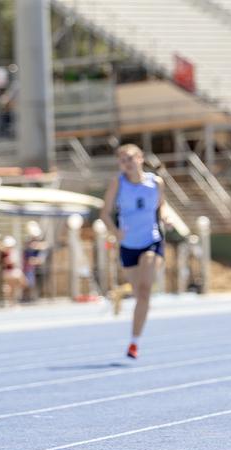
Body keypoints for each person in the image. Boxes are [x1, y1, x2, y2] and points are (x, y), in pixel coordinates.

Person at [101, 144, 168, 359]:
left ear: (140, 158)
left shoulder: (155, 182)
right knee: (139, 294)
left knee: (146, 290)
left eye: (130, 158)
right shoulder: (117, 183)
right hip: (128, 244)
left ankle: (134, 343)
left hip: (151, 240)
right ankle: (135, 336)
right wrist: (115, 232)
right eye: (122, 160)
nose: (127, 163)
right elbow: (104, 213)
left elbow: (162, 206)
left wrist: (165, 217)